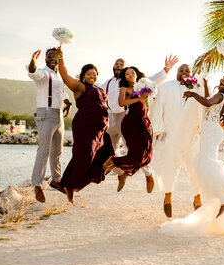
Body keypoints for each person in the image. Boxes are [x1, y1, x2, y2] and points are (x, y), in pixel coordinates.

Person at [159, 72, 224, 237]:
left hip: (211, 133)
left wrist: (192, 94)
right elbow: (208, 101)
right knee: (203, 163)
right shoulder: (219, 96)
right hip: (208, 132)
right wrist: (205, 84)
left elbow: (206, 101)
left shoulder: (220, 95)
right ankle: (223, 198)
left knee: (207, 163)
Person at [98, 56, 178, 193]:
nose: (118, 65)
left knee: (137, 150)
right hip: (113, 117)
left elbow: (155, 78)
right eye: (116, 63)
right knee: (109, 147)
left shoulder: (141, 83)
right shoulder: (108, 82)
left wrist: (167, 68)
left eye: (121, 64)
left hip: (129, 116)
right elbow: (96, 89)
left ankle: (148, 174)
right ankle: (121, 173)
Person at [56, 48, 114, 203]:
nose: (92, 75)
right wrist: (61, 59)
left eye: (94, 73)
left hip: (99, 129)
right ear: (83, 76)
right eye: (88, 73)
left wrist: (105, 124)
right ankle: (70, 186)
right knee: (86, 156)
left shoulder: (100, 89)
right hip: (84, 127)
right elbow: (65, 75)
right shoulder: (80, 87)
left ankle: (66, 184)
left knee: (103, 156)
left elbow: (103, 107)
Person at [151, 64, 205, 218]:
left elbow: (203, 108)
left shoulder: (198, 88)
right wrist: (158, 131)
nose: (184, 72)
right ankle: (168, 198)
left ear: (191, 73)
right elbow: (157, 109)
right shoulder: (165, 87)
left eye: (187, 70)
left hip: (193, 134)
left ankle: (197, 200)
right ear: (176, 73)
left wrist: (203, 128)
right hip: (171, 134)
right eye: (181, 70)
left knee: (196, 168)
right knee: (169, 168)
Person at [27, 48, 72, 203]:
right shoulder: (43, 73)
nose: (53, 58)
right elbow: (33, 72)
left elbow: (62, 91)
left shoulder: (59, 75)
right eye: (50, 56)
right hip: (45, 114)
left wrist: (67, 103)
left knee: (57, 151)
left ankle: (56, 180)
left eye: (56, 56)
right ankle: (37, 185)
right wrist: (33, 59)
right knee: (43, 150)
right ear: (45, 59)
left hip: (58, 114)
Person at [102, 67, 153, 192]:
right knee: (137, 155)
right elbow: (122, 103)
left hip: (143, 122)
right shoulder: (124, 88)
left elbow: (148, 101)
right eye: (127, 73)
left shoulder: (144, 86)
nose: (130, 74)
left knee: (147, 153)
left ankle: (124, 171)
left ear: (137, 74)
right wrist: (140, 98)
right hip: (131, 124)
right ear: (124, 77)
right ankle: (114, 161)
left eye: (132, 72)